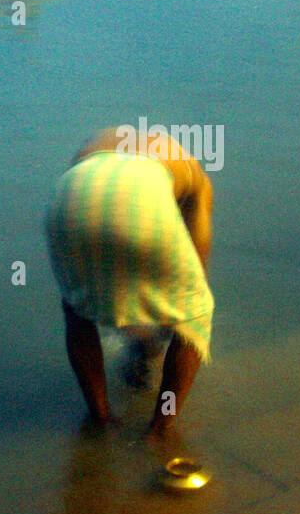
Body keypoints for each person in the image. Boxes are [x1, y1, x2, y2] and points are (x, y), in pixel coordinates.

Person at [44, 127, 214, 434]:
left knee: (76, 308)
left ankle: (101, 416)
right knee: (194, 313)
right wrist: (172, 322)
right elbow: (198, 261)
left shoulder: (98, 140)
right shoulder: (198, 179)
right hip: (142, 191)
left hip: (70, 193)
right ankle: (160, 430)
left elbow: (111, 260)